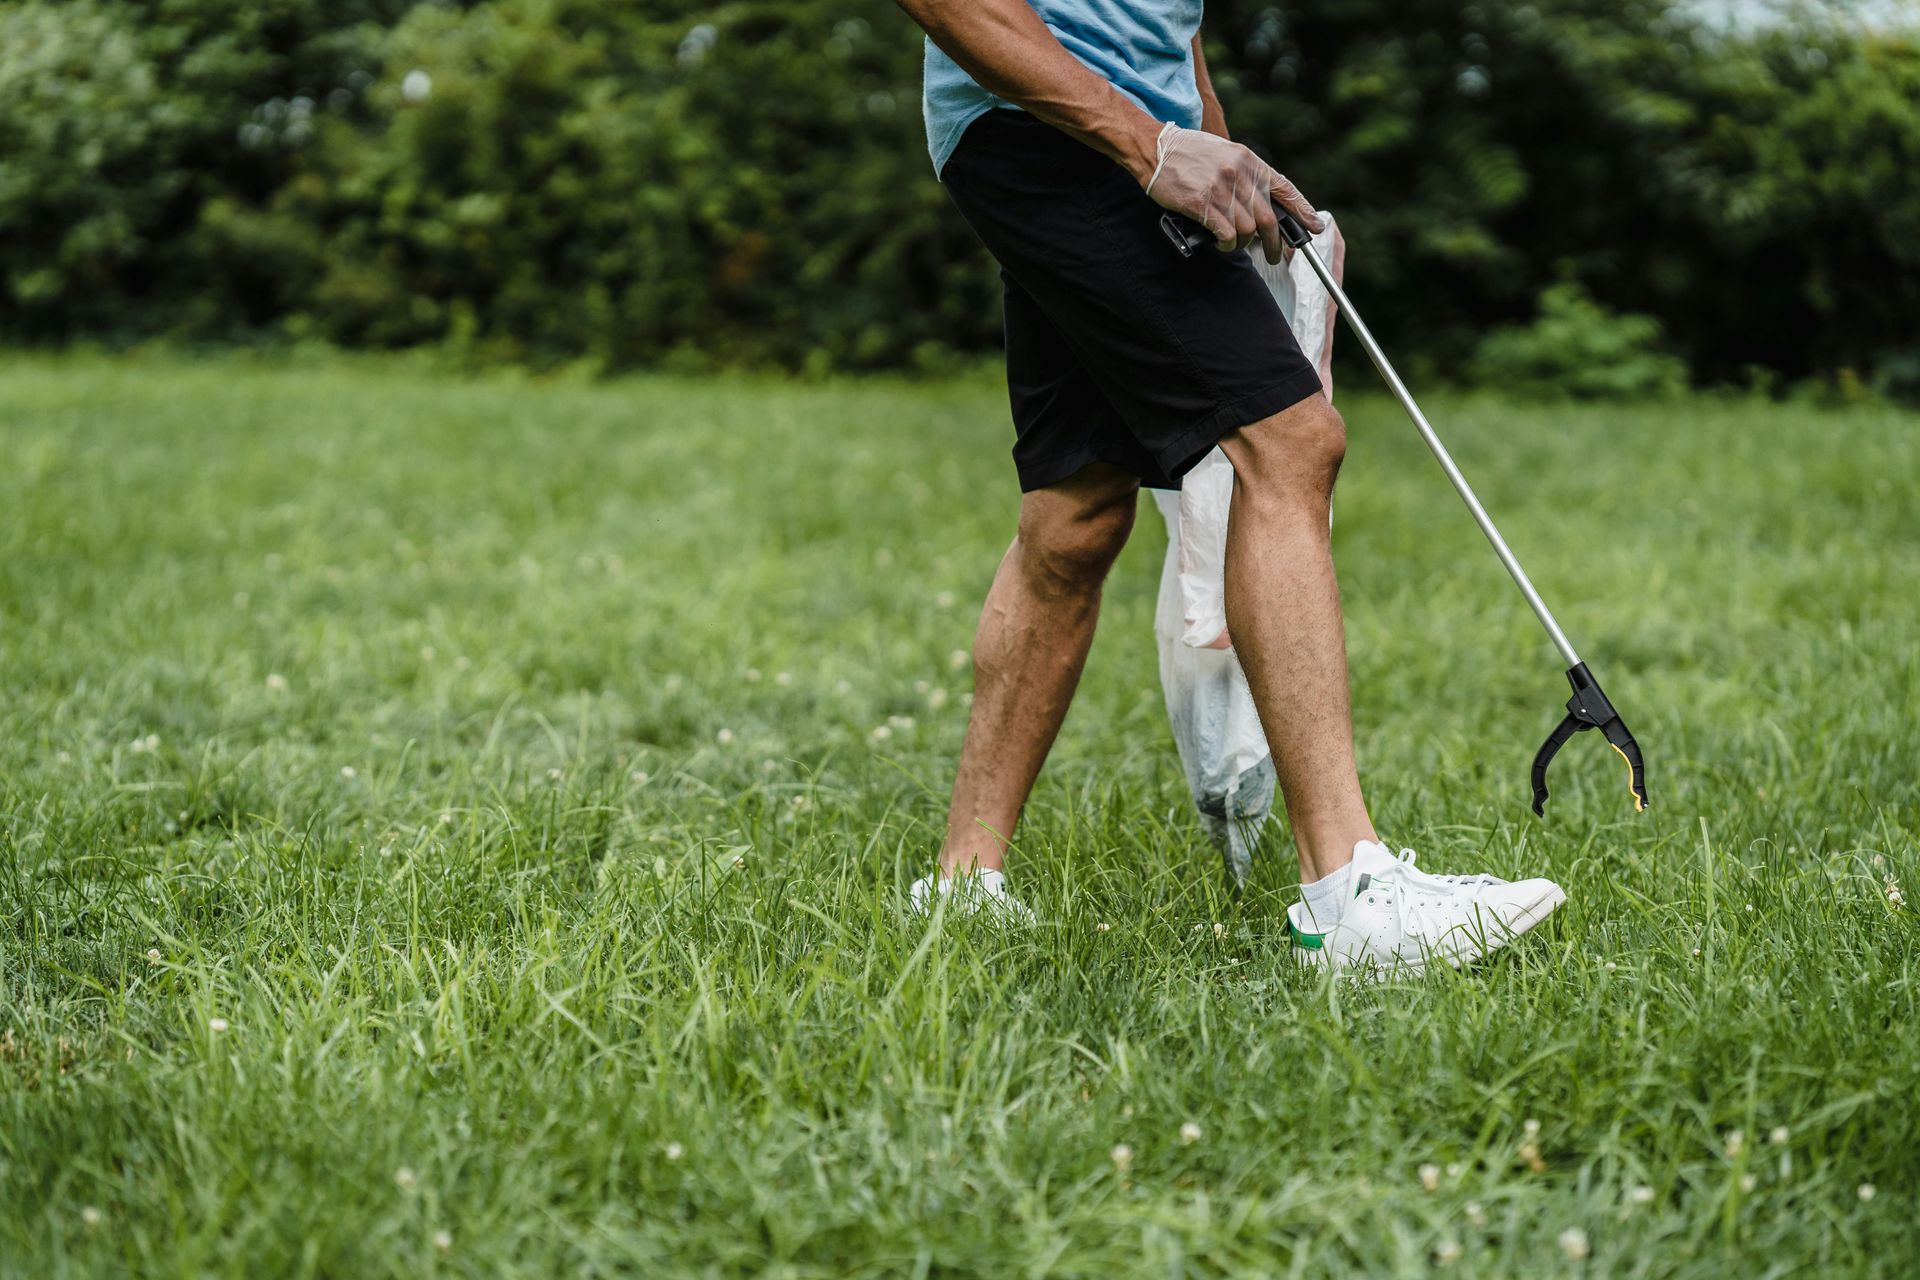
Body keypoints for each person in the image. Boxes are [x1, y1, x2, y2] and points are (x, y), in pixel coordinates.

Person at [896, 0, 1565, 972]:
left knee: (1076, 511)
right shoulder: (1106, 133)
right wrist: (1153, 147)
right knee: (1290, 441)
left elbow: (1169, 20)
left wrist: (1214, 149)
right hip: (1054, 128)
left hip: (1102, 135)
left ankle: (962, 882)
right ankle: (1348, 892)